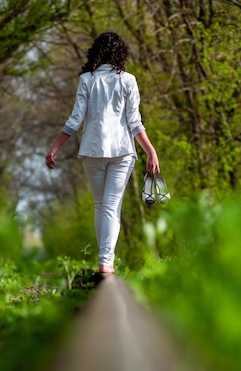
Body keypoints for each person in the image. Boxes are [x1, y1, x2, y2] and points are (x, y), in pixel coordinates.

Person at [45, 31, 160, 275]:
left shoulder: (87, 79)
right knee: (110, 206)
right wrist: (150, 151)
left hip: (93, 149)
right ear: (120, 53)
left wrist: (55, 147)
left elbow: (75, 120)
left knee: (102, 206)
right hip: (121, 151)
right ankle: (106, 261)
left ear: (96, 52)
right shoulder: (128, 80)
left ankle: (105, 260)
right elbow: (134, 122)